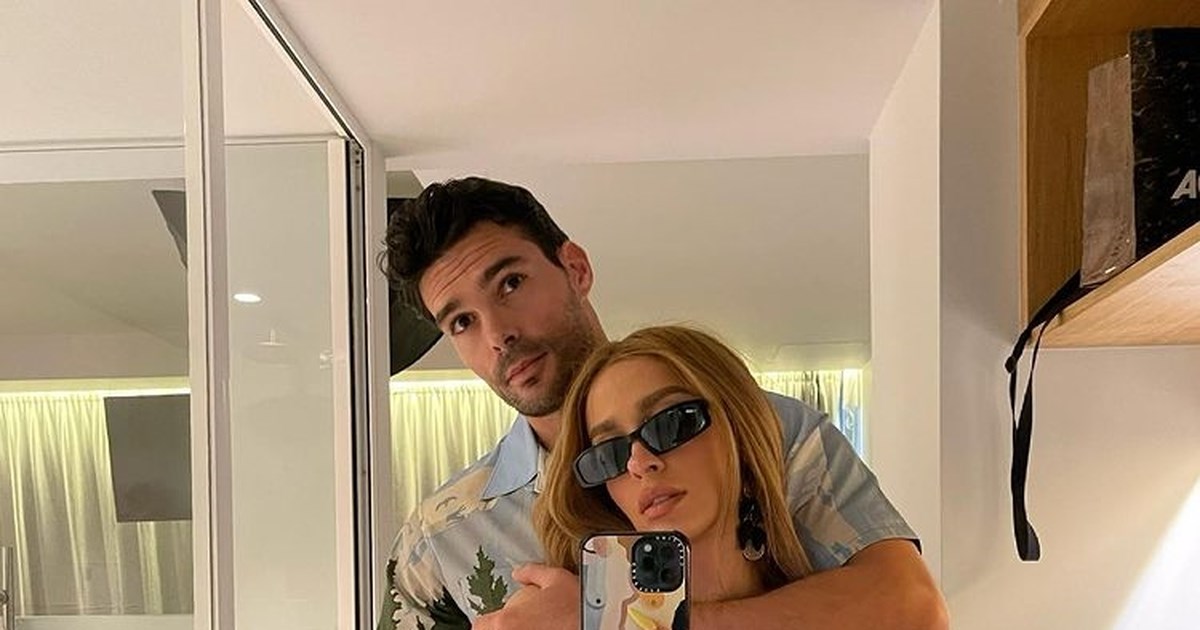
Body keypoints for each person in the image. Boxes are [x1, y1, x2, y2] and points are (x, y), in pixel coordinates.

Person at [378, 177, 947, 630]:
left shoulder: (763, 432)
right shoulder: (443, 534)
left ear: (575, 268)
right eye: (462, 321)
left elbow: (912, 609)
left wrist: (619, 620)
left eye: (510, 283)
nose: (497, 334)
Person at [537, 325, 815, 629]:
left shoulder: (837, 607)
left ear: (742, 435)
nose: (638, 463)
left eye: (671, 423)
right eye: (609, 453)